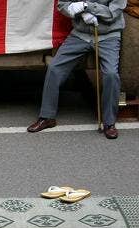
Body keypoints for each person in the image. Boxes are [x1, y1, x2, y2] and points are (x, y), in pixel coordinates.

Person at [27, 0, 127, 139]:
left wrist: (86, 7)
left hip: (108, 35)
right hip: (80, 34)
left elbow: (113, 12)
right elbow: (62, 5)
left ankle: (109, 122)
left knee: (111, 74)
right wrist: (73, 10)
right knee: (55, 68)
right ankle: (47, 116)